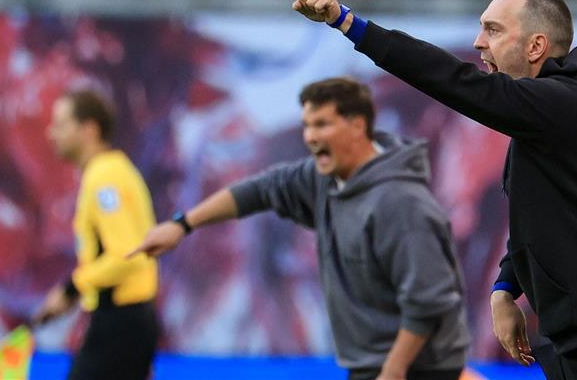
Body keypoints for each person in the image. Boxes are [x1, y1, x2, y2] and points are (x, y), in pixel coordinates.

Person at [285, 0, 577, 379]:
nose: (479, 43)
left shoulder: (567, 106)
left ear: (535, 46)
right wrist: (505, 288)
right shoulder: (545, 121)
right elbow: (539, 219)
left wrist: (348, 22)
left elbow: (454, 81)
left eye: (493, 30)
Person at [129, 77, 470, 380]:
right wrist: (183, 225)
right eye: (307, 125)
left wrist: (394, 370)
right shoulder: (323, 179)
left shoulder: (403, 204)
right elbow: (258, 190)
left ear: (357, 125)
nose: (310, 137)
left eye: (322, 125)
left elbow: (428, 303)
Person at [34, 89, 159, 380]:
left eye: (61, 124)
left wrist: (70, 289)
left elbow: (128, 254)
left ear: (89, 129)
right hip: (124, 321)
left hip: (121, 321)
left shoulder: (105, 177)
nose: (52, 134)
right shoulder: (108, 172)